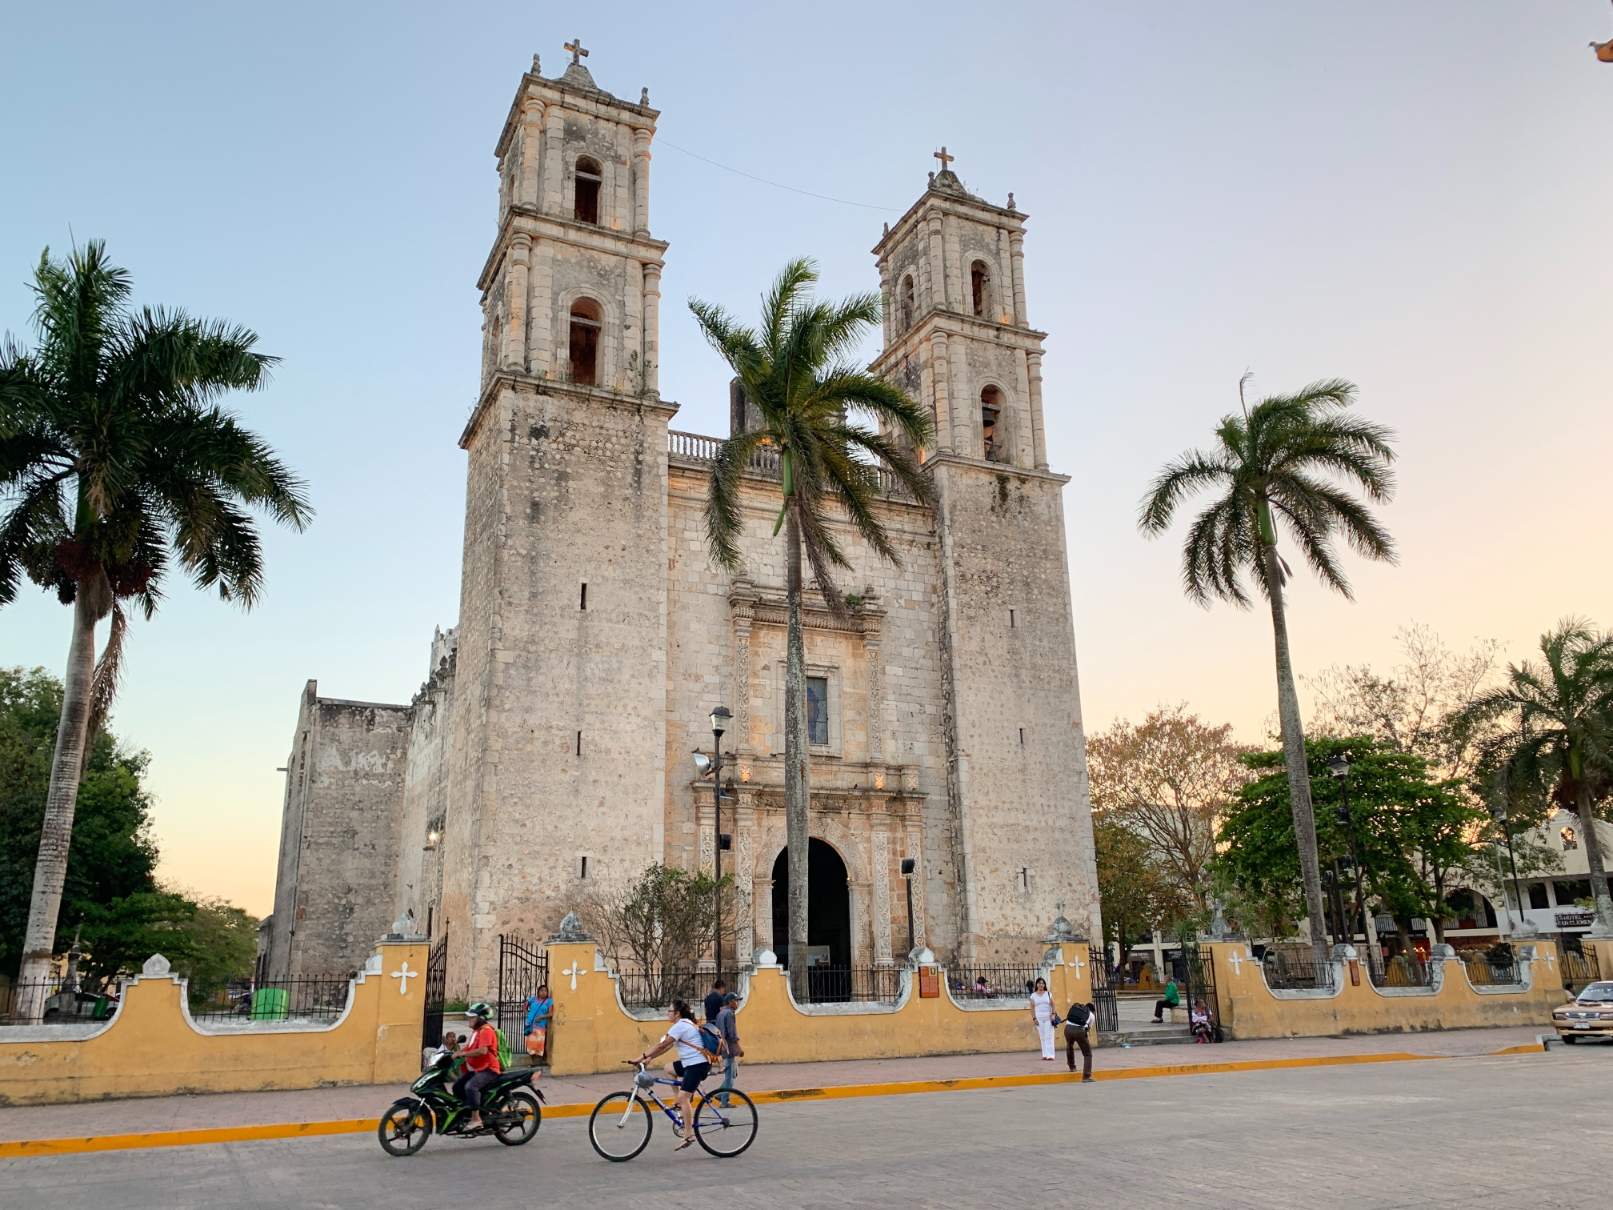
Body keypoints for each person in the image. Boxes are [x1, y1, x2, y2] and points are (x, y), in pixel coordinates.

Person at [632, 999, 714, 1151]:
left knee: (684, 1098)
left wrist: (640, 1057)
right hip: (691, 1063)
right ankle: (680, 1102)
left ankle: (689, 1135)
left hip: (697, 1065)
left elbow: (661, 1045)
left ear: (677, 1014)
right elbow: (667, 1046)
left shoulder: (681, 1025)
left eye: (670, 1011)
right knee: (669, 1068)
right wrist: (649, 1058)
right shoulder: (684, 1024)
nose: (667, 1013)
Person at [453, 1002, 502, 1131]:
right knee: (457, 1086)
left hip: (489, 1069)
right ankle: (468, 1111)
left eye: (472, 1017)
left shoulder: (486, 1031)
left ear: (481, 1018)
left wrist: (464, 1053)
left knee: (471, 1087)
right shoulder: (477, 1032)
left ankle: (476, 1119)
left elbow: (483, 1051)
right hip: (478, 1069)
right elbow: (469, 1048)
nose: (469, 1019)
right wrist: (456, 1053)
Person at [713, 990, 742, 1107]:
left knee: (732, 1073)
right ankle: (724, 1101)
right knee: (730, 1076)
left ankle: (720, 1094)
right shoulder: (729, 1014)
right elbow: (732, 1034)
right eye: (736, 1001)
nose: (737, 1003)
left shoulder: (720, 1014)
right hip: (729, 1048)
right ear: (730, 1002)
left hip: (722, 1047)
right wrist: (739, 1048)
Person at [1063, 1000, 1095, 1081]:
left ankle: (1072, 1067)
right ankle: (1086, 1076)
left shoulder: (1077, 1010)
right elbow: (1087, 1028)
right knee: (1087, 1054)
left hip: (1067, 1029)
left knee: (1069, 1045)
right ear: (1093, 1010)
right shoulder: (1091, 1015)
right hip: (1079, 1031)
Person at [1029, 977, 1057, 1061]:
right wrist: (1034, 1018)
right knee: (1042, 1037)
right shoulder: (1033, 995)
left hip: (1048, 1018)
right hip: (1039, 1019)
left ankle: (1050, 1055)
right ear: (1036, 984)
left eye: (1042, 983)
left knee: (1049, 1036)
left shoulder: (1048, 993)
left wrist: (1053, 1014)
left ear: (1044, 985)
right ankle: (1045, 1054)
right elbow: (1032, 1008)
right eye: (1039, 983)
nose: (1041, 984)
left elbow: (1053, 1005)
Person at [523, 983, 553, 1059]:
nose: (544, 992)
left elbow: (551, 1013)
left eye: (545, 991)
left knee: (539, 1045)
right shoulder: (533, 999)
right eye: (542, 990)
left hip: (540, 1026)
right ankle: (532, 1060)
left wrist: (542, 1017)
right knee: (531, 1044)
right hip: (530, 1025)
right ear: (538, 992)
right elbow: (525, 1005)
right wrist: (527, 1014)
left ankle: (537, 1061)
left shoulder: (549, 1001)